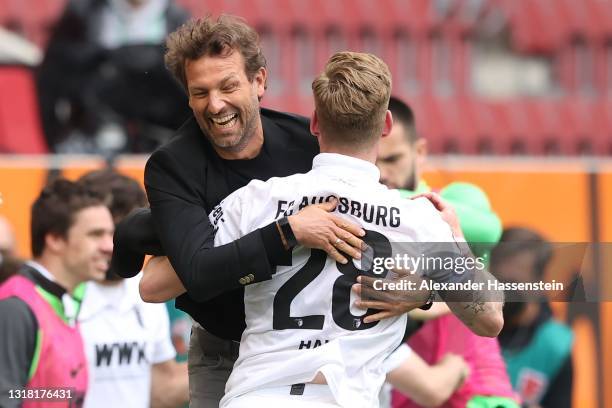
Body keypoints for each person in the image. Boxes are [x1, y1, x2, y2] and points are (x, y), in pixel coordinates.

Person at [146, 51, 504, 407]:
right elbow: (490, 318)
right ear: (386, 126)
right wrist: (455, 242)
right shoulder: (419, 221)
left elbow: (156, 284)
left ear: (315, 122)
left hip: (255, 396)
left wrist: (276, 235)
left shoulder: (255, 200)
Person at [111, 15, 366, 407]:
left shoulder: (310, 143)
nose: (215, 105)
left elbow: (376, 224)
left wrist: (419, 292)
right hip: (223, 351)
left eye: (228, 86)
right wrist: (289, 231)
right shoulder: (173, 165)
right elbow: (199, 273)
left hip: (313, 350)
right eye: (200, 92)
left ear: (259, 81)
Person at [376, 97, 517, 408]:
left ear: (420, 153)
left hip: (479, 395)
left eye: (393, 159)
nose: (383, 174)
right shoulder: (365, 229)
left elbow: (487, 228)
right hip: (410, 396)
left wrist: (366, 202)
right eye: (373, 162)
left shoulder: (453, 200)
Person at [76, 169, 189, 408]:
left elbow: (160, 391)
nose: (111, 244)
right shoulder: (51, 295)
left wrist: (237, 362)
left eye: (125, 232)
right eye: (99, 232)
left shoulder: (144, 292)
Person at [0, 179, 114, 407]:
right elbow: (7, 397)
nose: (109, 246)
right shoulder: (15, 307)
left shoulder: (64, 299)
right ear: (55, 240)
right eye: (95, 234)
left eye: (110, 234)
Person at [36, 0, 190, 154]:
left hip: (162, 138)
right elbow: (52, 80)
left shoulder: (179, 21)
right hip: (95, 138)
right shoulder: (82, 14)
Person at [491, 228, 573, 408]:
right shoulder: (466, 325)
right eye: (498, 280)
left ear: (539, 285)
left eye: (514, 283)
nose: (504, 292)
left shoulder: (556, 343)